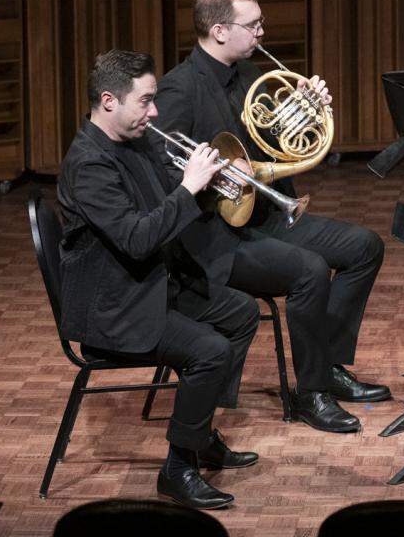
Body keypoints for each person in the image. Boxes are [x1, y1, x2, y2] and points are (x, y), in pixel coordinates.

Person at [153, 0, 388, 435]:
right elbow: (163, 170)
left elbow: (271, 145)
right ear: (219, 30)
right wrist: (214, 175)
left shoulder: (248, 75)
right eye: (253, 24)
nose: (262, 32)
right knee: (309, 271)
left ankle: (327, 365)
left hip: (265, 217)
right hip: (215, 240)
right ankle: (311, 394)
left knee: (364, 247)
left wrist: (306, 110)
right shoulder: (179, 90)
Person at [58, 50, 259, 509]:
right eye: (146, 101)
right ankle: (178, 468)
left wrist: (209, 184)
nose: (155, 112)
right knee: (210, 351)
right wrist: (188, 187)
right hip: (115, 307)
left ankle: (198, 431)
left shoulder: (137, 141)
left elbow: (168, 203)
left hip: (150, 283)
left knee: (241, 313)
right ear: (109, 101)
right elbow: (136, 239)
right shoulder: (89, 165)